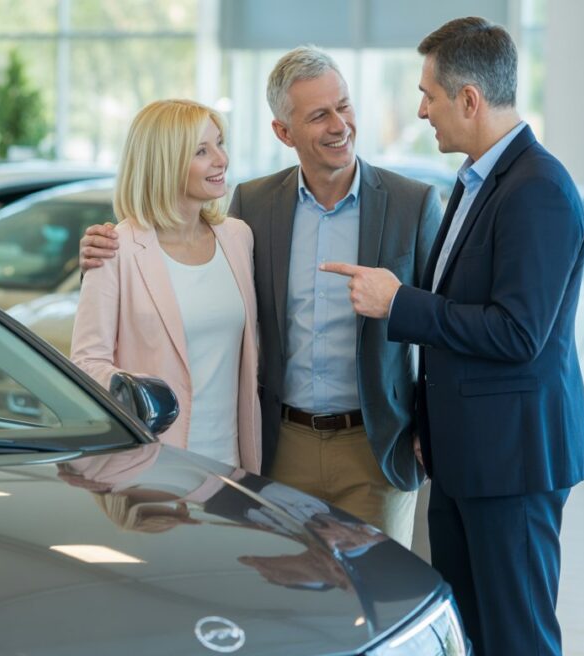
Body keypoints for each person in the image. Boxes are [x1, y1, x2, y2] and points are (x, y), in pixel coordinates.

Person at [321, 17, 584, 656]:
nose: (420, 110)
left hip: (511, 464)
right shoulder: (480, 181)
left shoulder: (538, 189)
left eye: (429, 95)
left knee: (520, 646)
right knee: (471, 639)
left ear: (469, 99)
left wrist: (398, 302)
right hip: (467, 458)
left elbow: (517, 332)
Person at [81, 47, 442, 547]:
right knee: (276, 601)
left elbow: (439, 324)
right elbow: (96, 355)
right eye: (319, 115)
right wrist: (99, 250)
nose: (340, 125)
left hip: (373, 446)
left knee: (370, 606)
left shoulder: (412, 204)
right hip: (274, 448)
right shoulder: (251, 210)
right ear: (284, 132)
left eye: (344, 106)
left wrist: (432, 424)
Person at [70, 99, 261, 472]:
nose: (221, 159)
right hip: (153, 464)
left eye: (220, 143)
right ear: (166, 163)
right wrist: (143, 393)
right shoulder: (116, 248)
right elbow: (86, 363)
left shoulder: (238, 237)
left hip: (233, 462)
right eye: (202, 151)